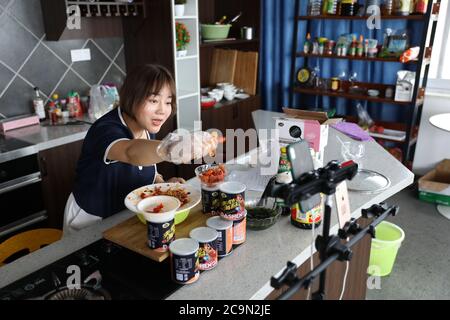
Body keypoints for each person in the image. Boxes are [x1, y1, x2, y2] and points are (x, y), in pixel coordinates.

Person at [64, 64, 217, 234]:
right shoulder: (106, 129)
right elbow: (131, 152)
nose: (162, 110)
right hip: (92, 220)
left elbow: (147, 168)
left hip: (127, 216)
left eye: (167, 102)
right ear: (132, 97)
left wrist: (163, 184)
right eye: (153, 101)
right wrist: (172, 148)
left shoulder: (146, 126)